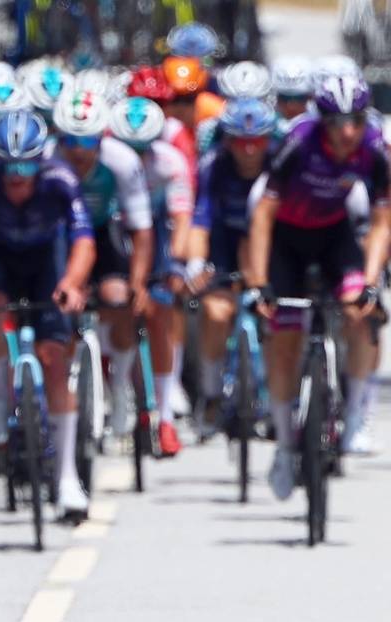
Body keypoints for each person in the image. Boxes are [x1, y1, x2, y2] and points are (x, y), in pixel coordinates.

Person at [246, 74, 391, 488]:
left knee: (361, 313)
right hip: (286, 242)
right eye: (337, 122)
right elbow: (262, 216)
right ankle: (285, 445)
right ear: (322, 121)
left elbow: (382, 223)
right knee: (284, 337)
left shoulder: (374, 151)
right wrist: (259, 282)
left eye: (356, 121)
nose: (348, 132)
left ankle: (357, 420)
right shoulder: (298, 144)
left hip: (334, 237)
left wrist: (370, 279)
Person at [0, 108, 97, 522]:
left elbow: (83, 240)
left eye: (26, 165)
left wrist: (72, 283)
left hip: (45, 262)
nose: (17, 175)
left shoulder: (60, 180)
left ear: (40, 160)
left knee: (56, 360)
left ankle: (68, 476)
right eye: (8, 166)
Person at [50, 88, 156, 443]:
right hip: (60, 235)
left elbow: (141, 230)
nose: (79, 150)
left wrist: (139, 284)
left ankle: (122, 384)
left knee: (119, 297)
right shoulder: (48, 159)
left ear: (103, 137)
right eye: (70, 140)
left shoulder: (122, 161)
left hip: (103, 231)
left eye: (88, 141)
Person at [108, 94, 196, 444]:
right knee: (118, 305)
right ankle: (117, 389)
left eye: (144, 148)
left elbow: (181, 217)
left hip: (155, 233)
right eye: (129, 147)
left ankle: (166, 413)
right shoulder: (108, 164)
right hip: (116, 232)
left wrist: (176, 263)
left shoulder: (170, 162)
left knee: (160, 308)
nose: (136, 156)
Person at [184, 98, 276, 423]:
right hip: (224, 240)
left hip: (271, 245)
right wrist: (195, 263)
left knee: (278, 313)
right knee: (216, 311)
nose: (249, 150)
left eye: (258, 141)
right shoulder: (213, 165)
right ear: (227, 140)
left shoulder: (280, 163)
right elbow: (200, 220)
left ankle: (276, 393)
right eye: (240, 141)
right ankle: (209, 394)